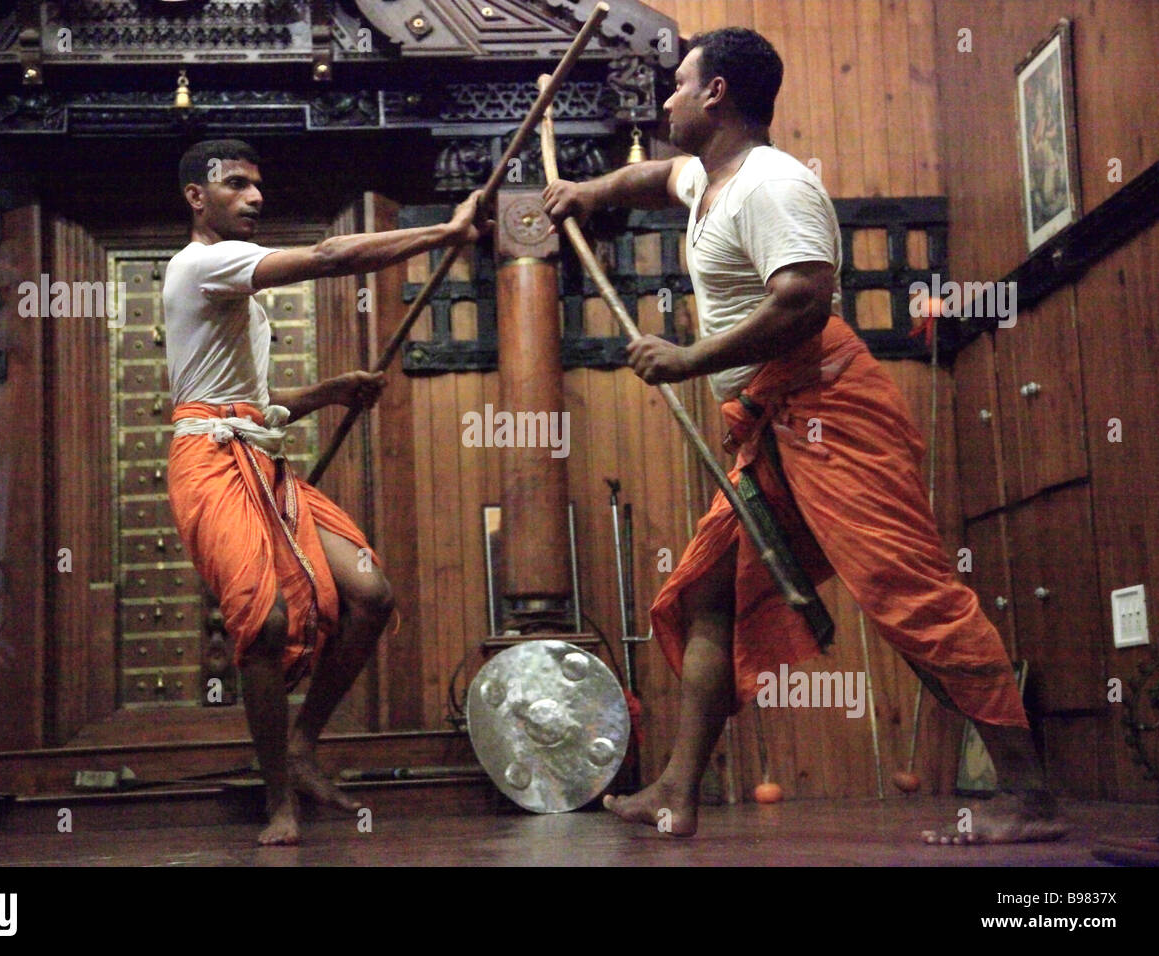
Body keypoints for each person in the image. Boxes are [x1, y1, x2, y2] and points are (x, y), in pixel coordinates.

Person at [543, 28, 1067, 845]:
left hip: (831, 413)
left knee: (910, 594)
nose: (667, 100)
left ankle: (1029, 797)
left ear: (716, 93)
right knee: (706, 594)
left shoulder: (773, 186)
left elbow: (803, 302)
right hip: (772, 428)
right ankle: (678, 791)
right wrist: (586, 191)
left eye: (679, 85)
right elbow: (652, 177)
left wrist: (690, 358)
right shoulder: (707, 178)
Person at [164, 139, 488, 845]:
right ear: (197, 197)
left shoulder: (234, 290)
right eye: (238, 185)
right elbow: (333, 257)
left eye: (258, 186)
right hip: (208, 463)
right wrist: (442, 232)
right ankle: (277, 796)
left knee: (370, 594)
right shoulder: (202, 264)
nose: (255, 198)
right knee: (267, 622)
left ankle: (303, 743)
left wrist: (329, 393)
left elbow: (250, 400)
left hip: (257, 453)